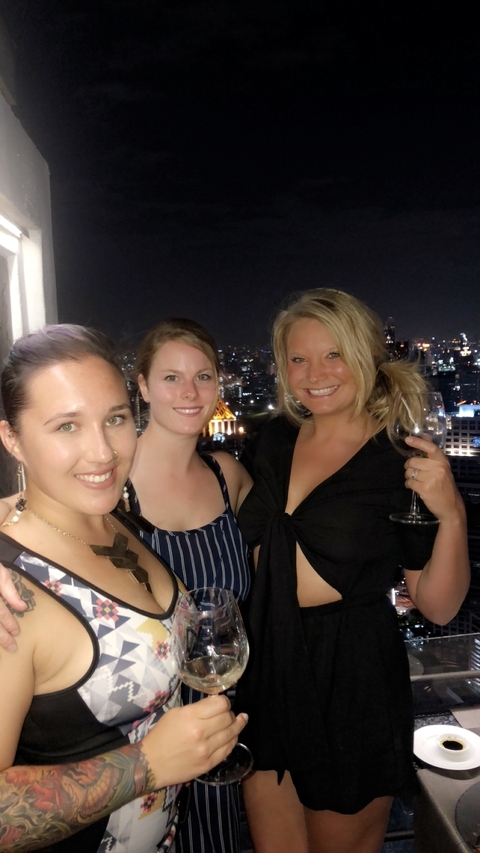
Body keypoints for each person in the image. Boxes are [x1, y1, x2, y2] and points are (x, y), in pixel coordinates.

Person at [0, 318, 252, 853]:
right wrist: (147, 765)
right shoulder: (11, 597)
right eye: (66, 426)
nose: (102, 452)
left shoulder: (119, 520)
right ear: (12, 439)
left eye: (114, 419)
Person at [234, 288, 469, 853]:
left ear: (365, 355)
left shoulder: (400, 459)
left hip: (351, 678)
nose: (315, 374)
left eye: (333, 354)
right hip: (266, 669)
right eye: (298, 359)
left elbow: (437, 605)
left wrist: (453, 512)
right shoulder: (268, 441)